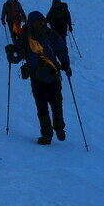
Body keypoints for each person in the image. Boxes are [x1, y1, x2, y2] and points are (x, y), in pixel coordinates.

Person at [21, 11, 71, 145]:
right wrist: (11, 54)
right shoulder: (32, 36)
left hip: (45, 76)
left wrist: (65, 63)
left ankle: (54, 131)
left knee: (50, 105)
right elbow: (19, 54)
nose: (39, 25)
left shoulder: (42, 35)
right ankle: (52, 131)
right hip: (43, 76)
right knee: (48, 105)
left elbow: (61, 48)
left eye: (40, 22)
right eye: (37, 23)